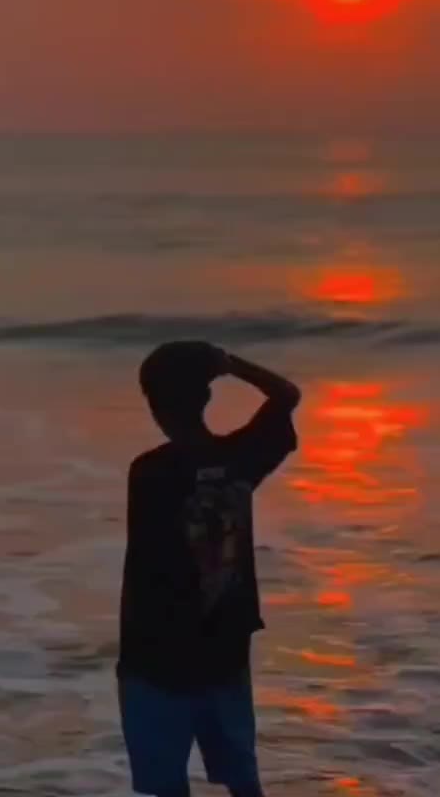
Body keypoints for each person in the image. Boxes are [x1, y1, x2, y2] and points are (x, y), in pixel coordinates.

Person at [116, 341, 301, 797]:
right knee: (242, 779)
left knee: (166, 786)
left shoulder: (149, 472)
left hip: (154, 654)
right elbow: (286, 395)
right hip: (223, 647)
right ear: (206, 396)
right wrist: (229, 364)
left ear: (154, 405)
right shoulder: (239, 460)